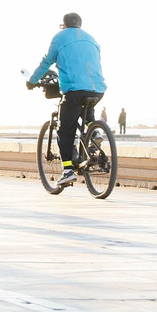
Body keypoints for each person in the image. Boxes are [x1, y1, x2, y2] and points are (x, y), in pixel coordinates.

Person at [27, 13, 106, 188]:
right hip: (98, 89)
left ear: (64, 25)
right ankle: (94, 132)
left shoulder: (60, 37)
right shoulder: (91, 38)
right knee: (86, 110)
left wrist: (32, 81)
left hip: (74, 90)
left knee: (65, 130)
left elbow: (46, 62)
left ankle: (68, 171)